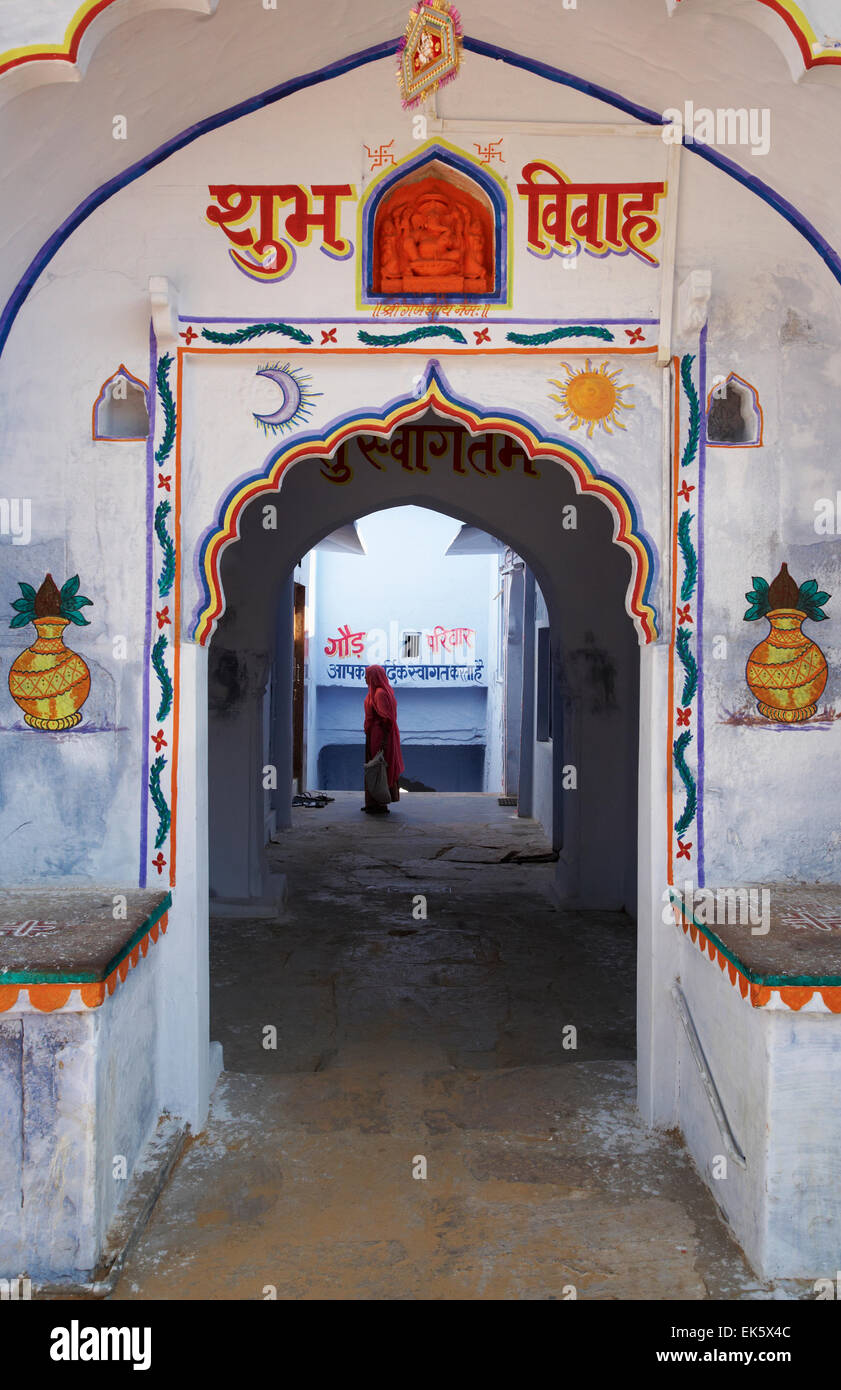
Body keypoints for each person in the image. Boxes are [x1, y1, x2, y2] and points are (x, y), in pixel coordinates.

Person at [363, 665, 404, 813]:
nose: (365, 678)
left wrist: (383, 742)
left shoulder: (380, 694)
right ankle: (373, 803)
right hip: (374, 734)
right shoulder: (375, 692)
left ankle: (379, 803)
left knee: (378, 767)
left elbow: (387, 720)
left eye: (367, 675)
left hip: (379, 736)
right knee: (374, 767)